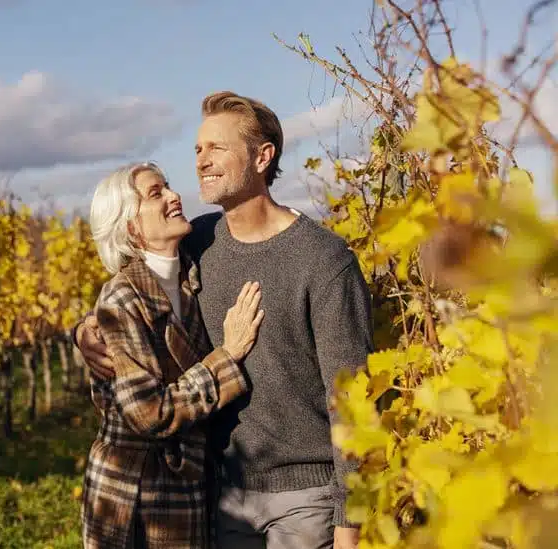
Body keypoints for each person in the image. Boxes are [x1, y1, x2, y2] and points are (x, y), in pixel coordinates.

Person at [74, 92, 374, 549]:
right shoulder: (199, 243)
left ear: (262, 156)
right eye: (197, 149)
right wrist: (85, 331)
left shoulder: (323, 260)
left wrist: (351, 524)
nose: (201, 162)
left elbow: (353, 404)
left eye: (216, 148)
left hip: (305, 499)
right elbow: (134, 289)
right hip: (220, 496)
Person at [80, 161, 266, 549]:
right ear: (130, 226)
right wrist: (227, 358)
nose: (173, 196)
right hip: (134, 496)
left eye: (167, 186)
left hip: (188, 488)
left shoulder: (190, 279)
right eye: (155, 193)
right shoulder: (121, 299)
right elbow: (150, 413)